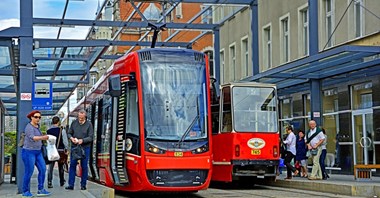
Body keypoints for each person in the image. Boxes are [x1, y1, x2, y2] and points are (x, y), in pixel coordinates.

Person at [21, 110, 51, 197]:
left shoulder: (37, 127)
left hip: (38, 152)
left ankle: (41, 189)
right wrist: (43, 137)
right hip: (28, 152)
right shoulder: (29, 127)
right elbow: (33, 137)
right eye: (36, 117)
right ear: (31, 117)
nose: (38, 119)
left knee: (43, 169)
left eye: (39, 117)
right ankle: (25, 191)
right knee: (29, 172)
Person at [66, 109, 94, 190]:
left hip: (85, 148)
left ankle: (83, 185)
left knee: (84, 166)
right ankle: (71, 184)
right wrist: (71, 138)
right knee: (72, 165)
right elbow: (69, 133)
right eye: (79, 118)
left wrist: (82, 140)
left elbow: (91, 137)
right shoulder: (74, 123)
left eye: (82, 118)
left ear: (85, 116)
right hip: (74, 147)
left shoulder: (89, 124)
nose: (80, 120)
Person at [46, 116, 68, 188]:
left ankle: (49, 182)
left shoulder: (48, 131)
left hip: (52, 151)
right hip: (60, 151)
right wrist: (66, 148)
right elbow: (65, 141)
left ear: (52, 122)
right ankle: (61, 181)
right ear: (58, 122)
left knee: (50, 167)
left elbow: (48, 142)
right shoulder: (62, 130)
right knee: (61, 166)